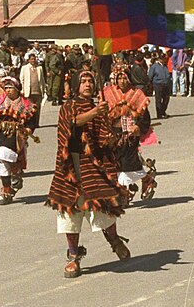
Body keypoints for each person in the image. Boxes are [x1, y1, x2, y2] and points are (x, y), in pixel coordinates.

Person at [46, 70, 131, 279]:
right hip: (71, 166)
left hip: (93, 165)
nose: (87, 84)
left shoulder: (99, 107)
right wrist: (95, 112)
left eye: (90, 81)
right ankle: (73, 257)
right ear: (76, 85)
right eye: (83, 81)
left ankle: (114, 241)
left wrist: (113, 137)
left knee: (104, 206)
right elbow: (72, 124)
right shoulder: (69, 106)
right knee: (70, 214)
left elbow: (103, 141)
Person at [102, 64, 157, 204]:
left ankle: (123, 192)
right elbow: (104, 115)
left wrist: (138, 127)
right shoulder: (109, 93)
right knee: (116, 164)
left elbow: (145, 117)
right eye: (119, 78)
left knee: (128, 164)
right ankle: (144, 180)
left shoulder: (137, 94)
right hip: (114, 135)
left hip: (130, 136)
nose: (122, 81)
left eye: (124, 77)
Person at [0, 76, 38, 205]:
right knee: (0, 162)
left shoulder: (27, 105)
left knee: (5, 154)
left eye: (11, 88)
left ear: (17, 89)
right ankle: (6, 190)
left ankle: (16, 172)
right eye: (6, 88)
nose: (8, 91)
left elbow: (32, 122)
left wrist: (28, 131)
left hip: (15, 136)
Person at [20, 52, 46, 127]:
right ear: (28, 60)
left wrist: (44, 90)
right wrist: (22, 90)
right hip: (28, 92)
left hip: (38, 91)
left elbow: (42, 80)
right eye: (31, 59)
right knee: (29, 108)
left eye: (34, 59)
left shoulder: (39, 68)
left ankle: (36, 123)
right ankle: (29, 123)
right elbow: (22, 79)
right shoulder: (24, 68)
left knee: (37, 109)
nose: (33, 61)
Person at [147, 51, 171, 119]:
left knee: (166, 98)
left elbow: (167, 74)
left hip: (165, 84)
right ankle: (159, 114)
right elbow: (150, 76)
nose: (164, 60)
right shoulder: (154, 66)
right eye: (162, 58)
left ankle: (163, 111)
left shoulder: (165, 66)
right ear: (159, 59)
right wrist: (151, 84)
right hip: (158, 84)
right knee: (158, 99)